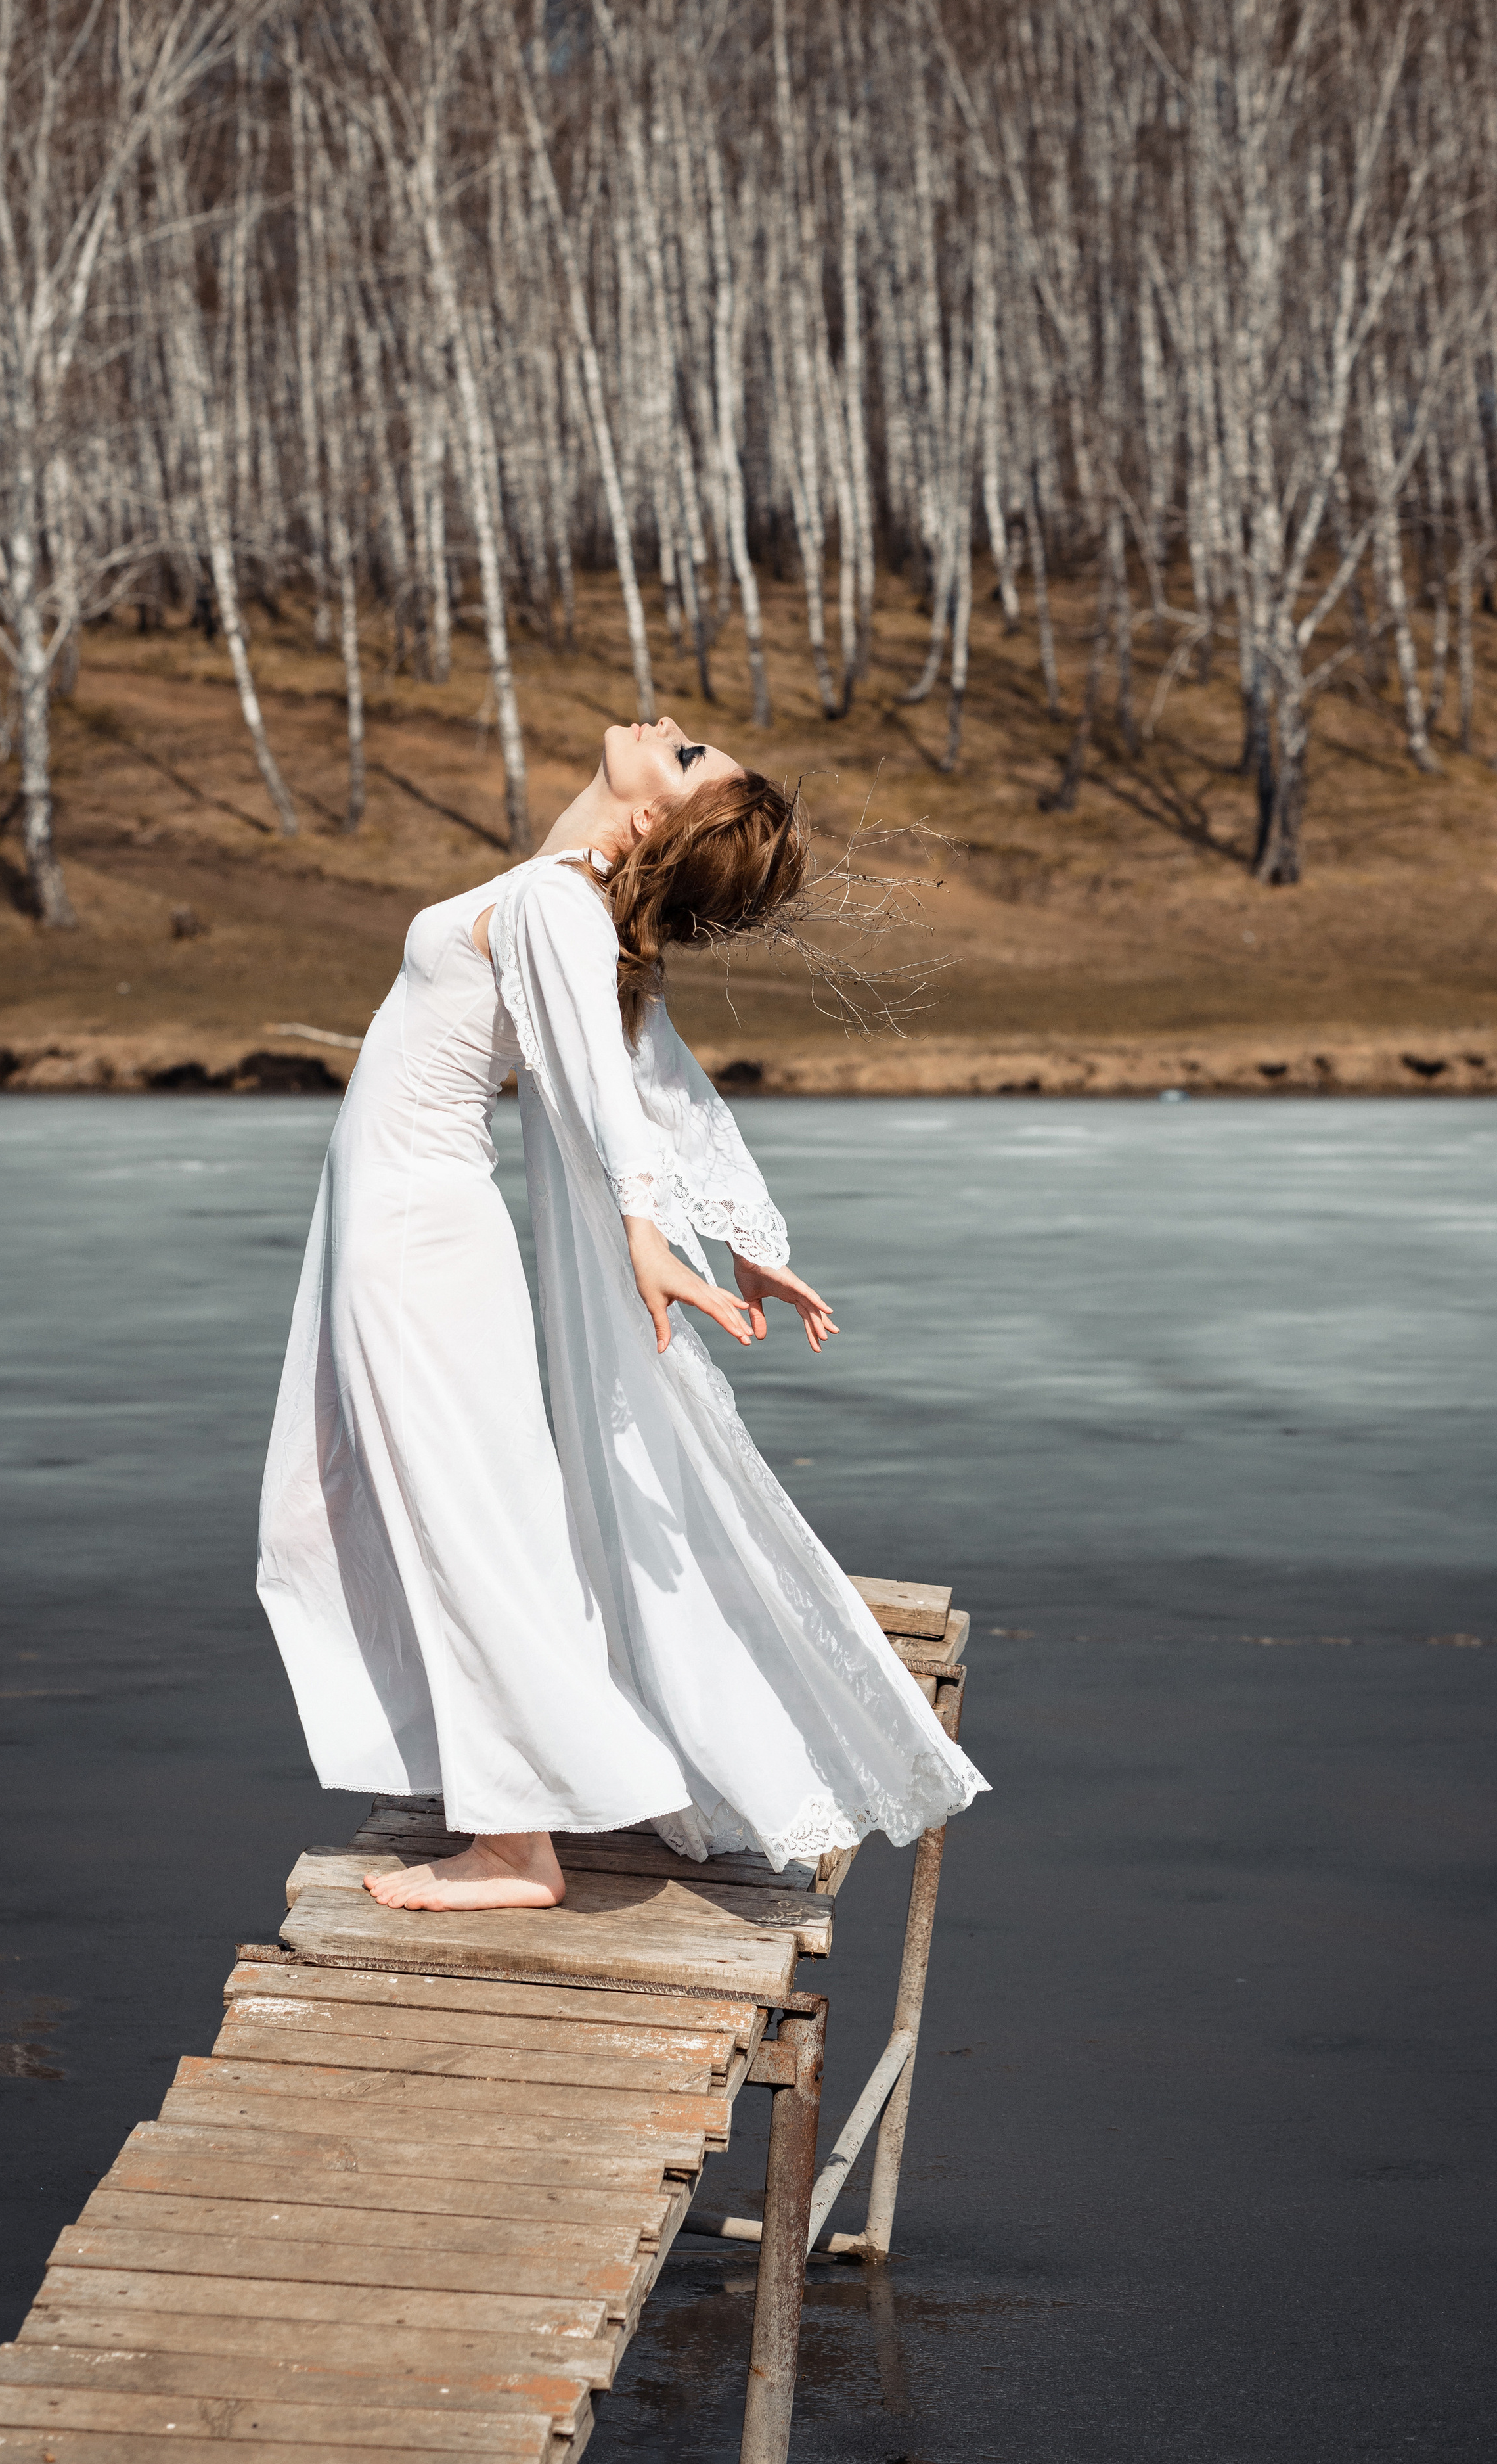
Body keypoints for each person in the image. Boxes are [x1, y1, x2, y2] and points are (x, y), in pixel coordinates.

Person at [257, 716, 987, 1911]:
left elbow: (606, 1088)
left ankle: (517, 1845)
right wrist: (744, 1235)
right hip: (394, 1231)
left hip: (412, 1240)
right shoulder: (563, 903)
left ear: (653, 818)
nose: (674, 729)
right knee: (342, 1511)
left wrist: (653, 1232)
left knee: (456, 1521)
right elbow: (652, 1072)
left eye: (692, 756)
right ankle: (515, 1780)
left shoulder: (557, 904)